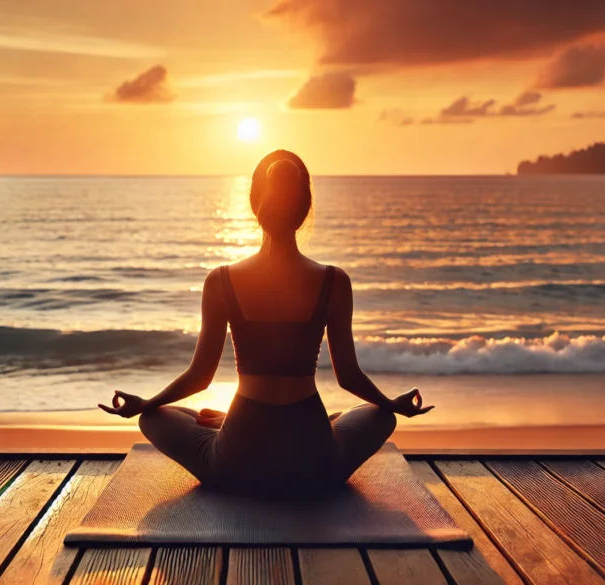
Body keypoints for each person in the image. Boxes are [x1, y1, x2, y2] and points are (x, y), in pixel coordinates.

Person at [100, 150, 433, 498]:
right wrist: (391, 404)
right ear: (305, 209)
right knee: (378, 416)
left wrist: (145, 403)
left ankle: (227, 423)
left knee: (157, 416)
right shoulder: (334, 281)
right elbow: (349, 377)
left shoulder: (221, 280)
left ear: (254, 203)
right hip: (315, 463)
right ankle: (279, 425)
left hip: (237, 462)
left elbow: (200, 376)